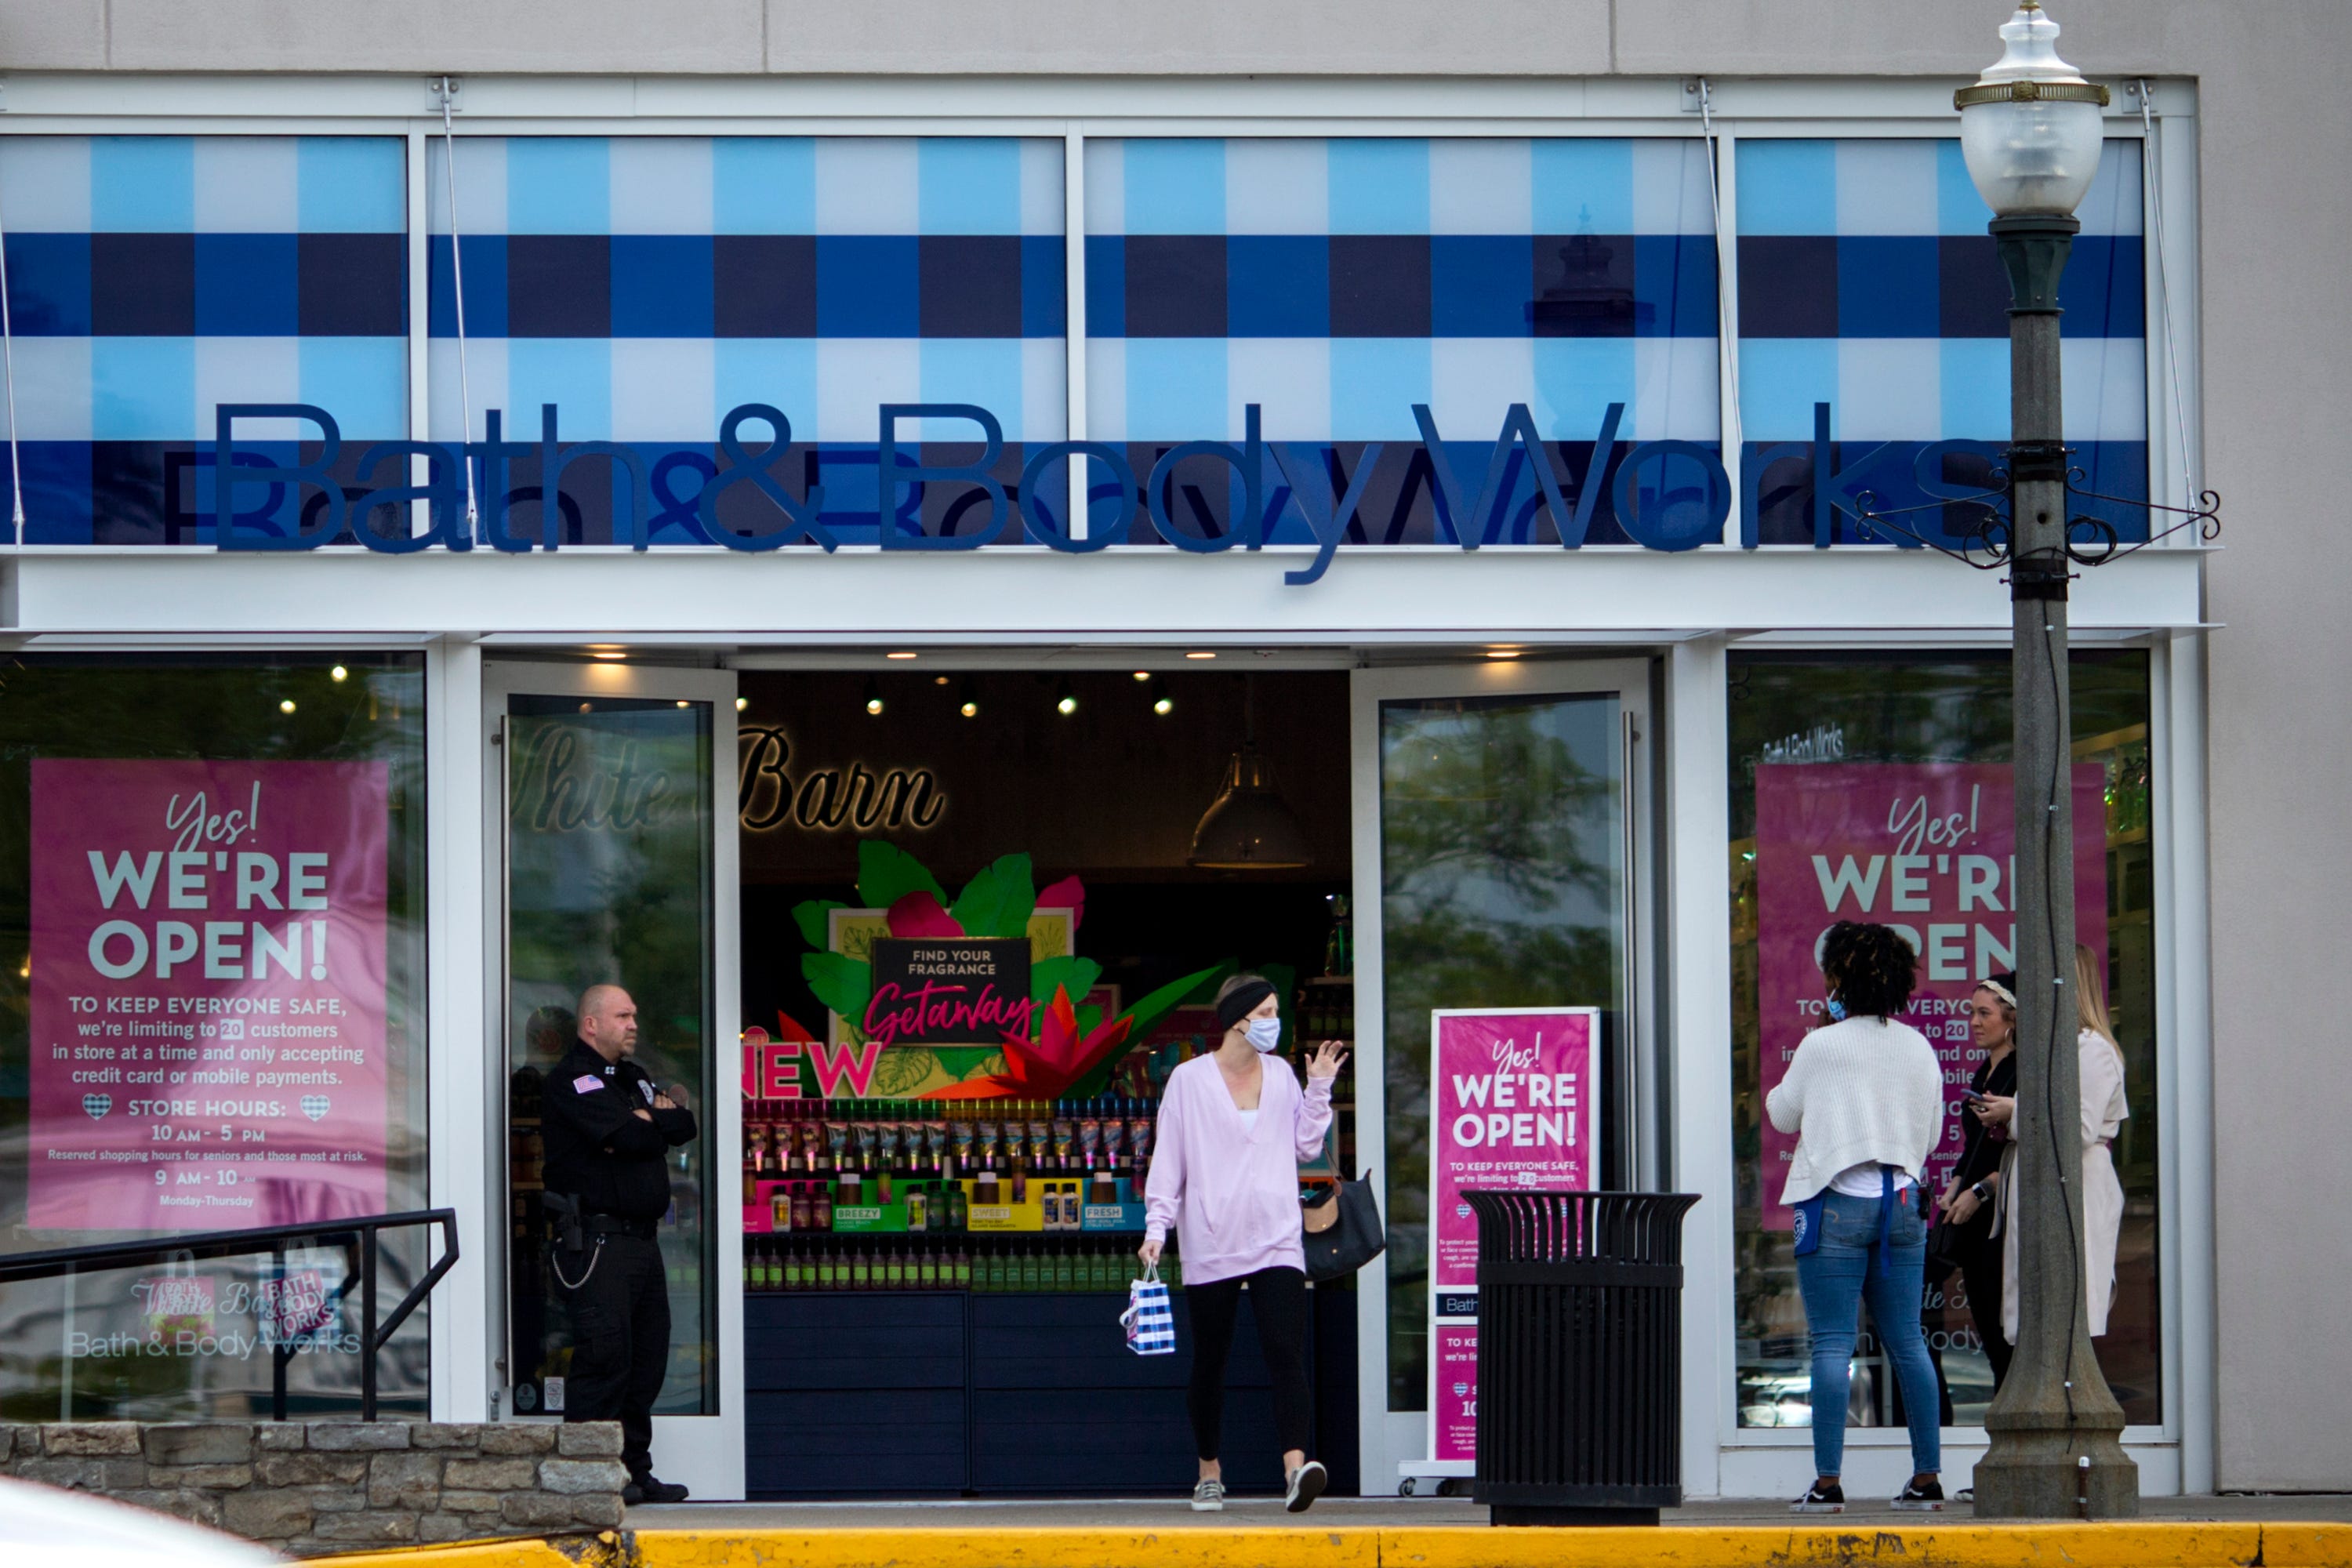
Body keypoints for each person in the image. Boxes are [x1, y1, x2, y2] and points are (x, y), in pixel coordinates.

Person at [1139, 974, 1345, 1514]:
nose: (1277, 1021)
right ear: (1238, 1018)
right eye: (1269, 1011)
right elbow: (1170, 1160)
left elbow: (1305, 1146)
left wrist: (1319, 1086)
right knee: (1212, 1359)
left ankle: (1295, 1471)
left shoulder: (1280, 1075)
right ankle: (1209, 1473)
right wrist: (1157, 1228)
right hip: (1212, 1241)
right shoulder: (1188, 1081)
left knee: (1285, 1353)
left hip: (1278, 1238)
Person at [1766, 921, 1947, 1514]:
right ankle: (1927, 1477)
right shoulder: (1917, 1046)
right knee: (1909, 1342)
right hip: (1902, 1207)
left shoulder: (1823, 1046)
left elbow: (1781, 1115)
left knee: (1832, 1345)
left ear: (1840, 979)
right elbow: (1935, 1133)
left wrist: (1821, 1041)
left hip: (1837, 1205)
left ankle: (1828, 1483)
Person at [540, 984, 699, 1505]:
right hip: (599, 1242)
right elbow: (635, 1138)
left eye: (634, 1014)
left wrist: (648, 1119)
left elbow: (684, 1123)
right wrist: (646, 1124)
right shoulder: (571, 1081)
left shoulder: (632, 1078)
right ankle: (588, 1478)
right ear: (592, 1024)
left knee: (647, 1360)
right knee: (605, 1358)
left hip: (642, 1244)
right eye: (623, 1015)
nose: (634, 1024)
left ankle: (634, 1472)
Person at [1987, 944, 2129, 1344]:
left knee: (2066, 1313)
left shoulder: (2091, 1049)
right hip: (2055, 1184)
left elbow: (2079, 1129)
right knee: (2043, 1309)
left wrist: (2013, 1112)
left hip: (2076, 1187)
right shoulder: (2062, 1046)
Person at [1935, 971, 2020, 1392]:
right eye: (1972, 1012)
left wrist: (1981, 1190)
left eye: (1984, 1013)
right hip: (1974, 1218)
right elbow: (1974, 1145)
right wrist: (1953, 1185)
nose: (1974, 1021)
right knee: (1985, 1321)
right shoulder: (1982, 1072)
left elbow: (2029, 1153)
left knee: (2004, 1326)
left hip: (2004, 1218)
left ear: (2011, 1019)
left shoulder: (2023, 1073)